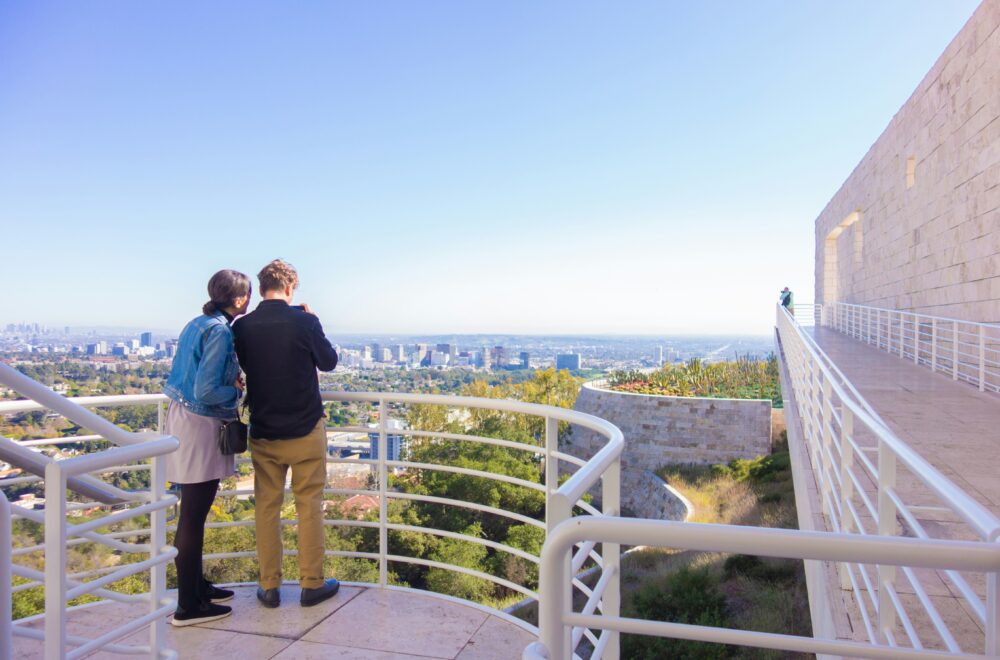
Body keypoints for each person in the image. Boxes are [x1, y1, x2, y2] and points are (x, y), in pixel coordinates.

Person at [232, 259, 339, 608]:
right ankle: (311, 584)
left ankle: (270, 586)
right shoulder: (305, 321)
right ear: (291, 288)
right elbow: (328, 362)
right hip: (306, 427)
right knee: (309, 507)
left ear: (261, 289)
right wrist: (311, 320)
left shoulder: (242, 327)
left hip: (265, 430)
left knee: (267, 507)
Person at [162, 269, 251, 626]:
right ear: (240, 299)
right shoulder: (219, 331)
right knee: (194, 515)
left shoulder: (198, 323)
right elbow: (206, 390)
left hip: (183, 418)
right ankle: (188, 605)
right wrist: (238, 391)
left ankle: (196, 587)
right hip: (199, 423)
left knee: (192, 511)